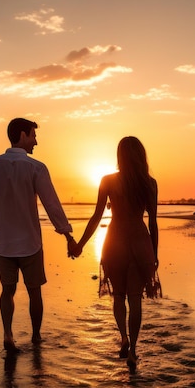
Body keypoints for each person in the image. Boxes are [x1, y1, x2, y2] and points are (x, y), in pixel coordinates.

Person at [0, 118, 76, 352]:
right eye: (33, 135)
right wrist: (67, 236)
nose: (36, 142)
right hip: (30, 243)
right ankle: (35, 336)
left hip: (3, 244)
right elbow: (51, 204)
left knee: (7, 290)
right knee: (35, 293)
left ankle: (8, 335)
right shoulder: (36, 167)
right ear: (22, 135)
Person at [71, 136, 160, 370]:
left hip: (115, 242)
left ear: (119, 155)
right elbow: (153, 223)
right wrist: (155, 253)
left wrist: (80, 245)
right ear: (141, 156)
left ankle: (123, 337)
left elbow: (96, 216)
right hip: (141, 243)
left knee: (119, 296)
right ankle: (133, 351)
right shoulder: (150, 183)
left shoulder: (108, 181)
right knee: (135, 299)